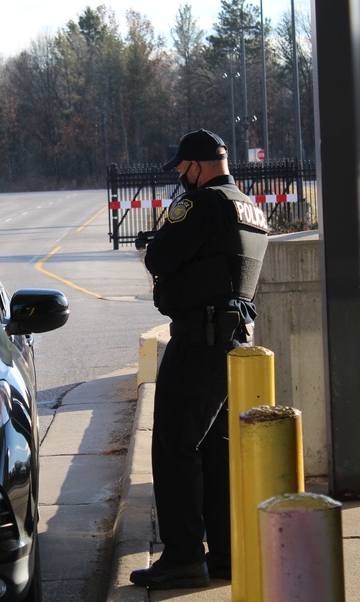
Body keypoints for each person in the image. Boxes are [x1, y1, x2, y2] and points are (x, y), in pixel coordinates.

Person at [130, 129, 269, 590]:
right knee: (214, 448)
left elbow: (161, 257)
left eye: (183, 169)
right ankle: (225, 553)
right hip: (232, 340)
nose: (182, 178)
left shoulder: (201, 203)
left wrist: (160, 242)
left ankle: (184, 556)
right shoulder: (248, 206)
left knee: (173, 445)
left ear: (197, 166)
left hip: (199, 337)